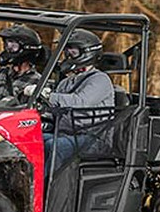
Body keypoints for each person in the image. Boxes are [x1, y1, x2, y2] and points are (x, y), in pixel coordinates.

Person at [25, 29, 114, 177]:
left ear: (87, 52)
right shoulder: (67, 82)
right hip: (65, 133)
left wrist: (49, 95)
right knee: (31, 141)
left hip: (93, 138)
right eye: (66, 50)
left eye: (72, 51)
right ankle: (25, 182)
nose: (67, 55)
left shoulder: (100, 79)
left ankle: (44, 193)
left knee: (55, 147)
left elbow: (80, 102)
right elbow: (52, 108)